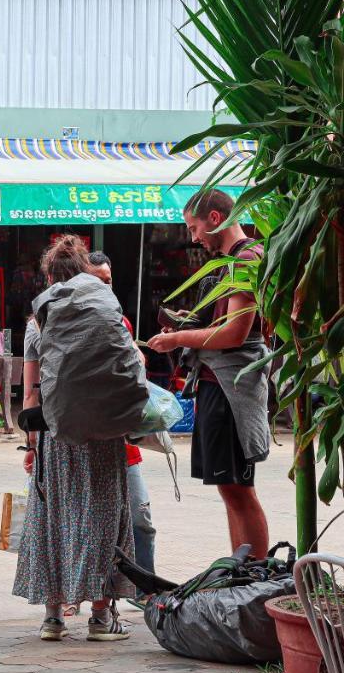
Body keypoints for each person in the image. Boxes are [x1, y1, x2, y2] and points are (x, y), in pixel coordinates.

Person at [14, 235, 135, 642]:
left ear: (49, 276)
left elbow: (31, 394)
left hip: (56, 435)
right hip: (102, 435)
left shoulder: (37, 324)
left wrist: (31, 447)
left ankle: (53, 618)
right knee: (102, 518)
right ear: (84, 273)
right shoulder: (104, 313)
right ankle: (101, 619)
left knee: (53, 519)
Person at [147, 190, 270, 559]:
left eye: (194, 227)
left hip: (232, 385)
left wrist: (180, 339)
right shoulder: (228, 261)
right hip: (217, 381)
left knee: (238, 489)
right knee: (228, 487)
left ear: (215, 218)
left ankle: (254, 574)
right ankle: (241, 571)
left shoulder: (247, 258)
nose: (194, 237)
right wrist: (183, 331)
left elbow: (234, 333)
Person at [88, 251, 156, 604]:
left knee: (140, 517)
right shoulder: (66, 321)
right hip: (86, 439)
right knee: (90, 522)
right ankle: (85, 597)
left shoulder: (121, 322)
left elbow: (135, 367)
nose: (104, 287)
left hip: (124, 441)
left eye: (108, 281)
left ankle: (143, 591)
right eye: (97, 280)